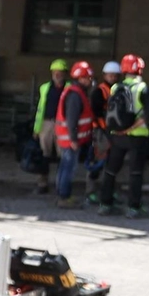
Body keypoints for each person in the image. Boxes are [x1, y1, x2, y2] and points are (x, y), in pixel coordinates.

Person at [97, 54, 149, 219]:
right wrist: (129, 129)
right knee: (135, 172)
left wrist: (120, 131)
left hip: (117, 136)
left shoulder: (115, 87)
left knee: (111, 170)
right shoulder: (143, 88)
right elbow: (148, 115)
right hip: (136, 136)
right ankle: (133, 208)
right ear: (140, 69)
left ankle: (105, 204)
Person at [54, 61, 95, 209]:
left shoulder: (74, 92)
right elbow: (72, 119)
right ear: (80, 78)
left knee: (64, 167)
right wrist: (74, 139)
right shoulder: (75, 95)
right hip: (70, 140)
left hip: (67, 138)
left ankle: (61, 195)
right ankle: (64, 197)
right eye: (87, 78)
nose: (89, 81)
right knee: (68, 168)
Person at [82, 60, 121, 205]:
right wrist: (102, 128)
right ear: (105, 75)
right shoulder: (99, 91)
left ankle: (108, 190)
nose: (112, 78)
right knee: (97, 161)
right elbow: (95, 112)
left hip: (114, 131)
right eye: (110, 75)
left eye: (114, 75)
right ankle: (90, 191)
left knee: (112, 162)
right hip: (101, 131)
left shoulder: (119, 89)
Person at [31, 59, 68, 194]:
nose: (57, 75)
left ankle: (61, 183)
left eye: (60, 72)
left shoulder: (69, 88)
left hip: (63, 125)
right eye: (55, 72)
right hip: (46, 123)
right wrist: (37, 129)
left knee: (62, 156)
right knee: (43, 155)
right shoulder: (45, 87)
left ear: (65, 73)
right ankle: (42, 183)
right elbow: (40, 109)